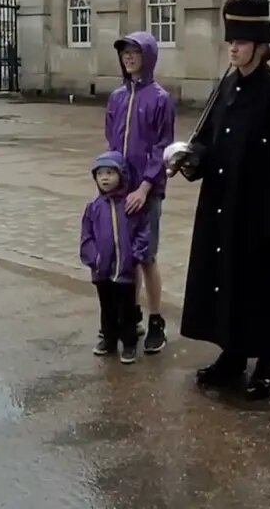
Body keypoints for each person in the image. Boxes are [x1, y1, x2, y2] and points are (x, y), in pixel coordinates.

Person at [176, 0, 270, 401]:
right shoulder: (227, 85)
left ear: (260, 45)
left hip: (261, 214)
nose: (232, 47)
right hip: (224, 205)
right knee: (227, 283)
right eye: (230, 40)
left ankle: (266, 366)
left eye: (240, 40)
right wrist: (192, 158)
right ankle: (232, 355)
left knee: (263, 290)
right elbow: (208, 139)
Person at [104, 30, 175, 353]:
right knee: (126, 257)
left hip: (147, 191)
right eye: (124, 52)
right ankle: (130, 316)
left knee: (147, 256)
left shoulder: (160, 99)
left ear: (147, 56)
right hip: (122, 190)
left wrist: (145, 187)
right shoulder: (117, 97)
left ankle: (156, 319)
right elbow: (112, 142)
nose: (129, 57)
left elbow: (163, 147)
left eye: (134, 52)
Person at [80, 151, 150, 364]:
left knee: (126, 308)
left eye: (110, 173)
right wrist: (94, 258)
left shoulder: (131, 204)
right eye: (100, 174)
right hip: (101, 270)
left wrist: (136, 255)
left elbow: (143, 232)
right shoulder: (93, 206)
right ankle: (108, 340)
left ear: (122, 175)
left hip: (126, 270)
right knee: (107, 307)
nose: (105, 178)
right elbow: (86, 236)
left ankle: (128, 344)